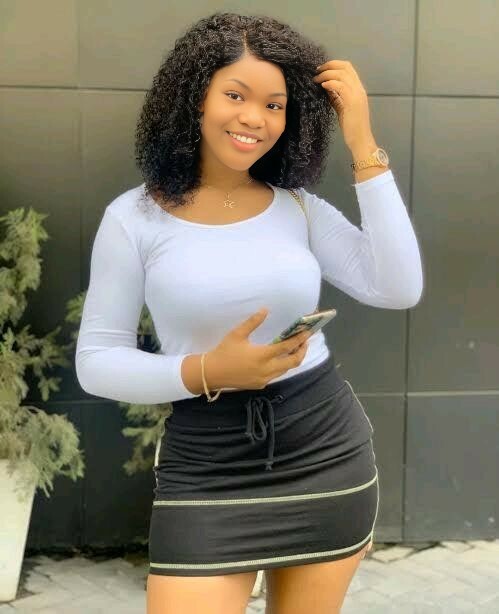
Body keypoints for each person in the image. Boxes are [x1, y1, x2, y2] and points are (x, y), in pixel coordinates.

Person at [75, 11, 423, 614]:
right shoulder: (133, 219)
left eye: (274, 105)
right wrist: (208, 371)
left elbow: (398, 287)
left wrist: (363, 143)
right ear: (194, 97)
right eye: (235, 95)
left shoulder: (299, 209)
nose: (255, 118)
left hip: (324, 450)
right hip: (207, 465)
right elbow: (96, 362)